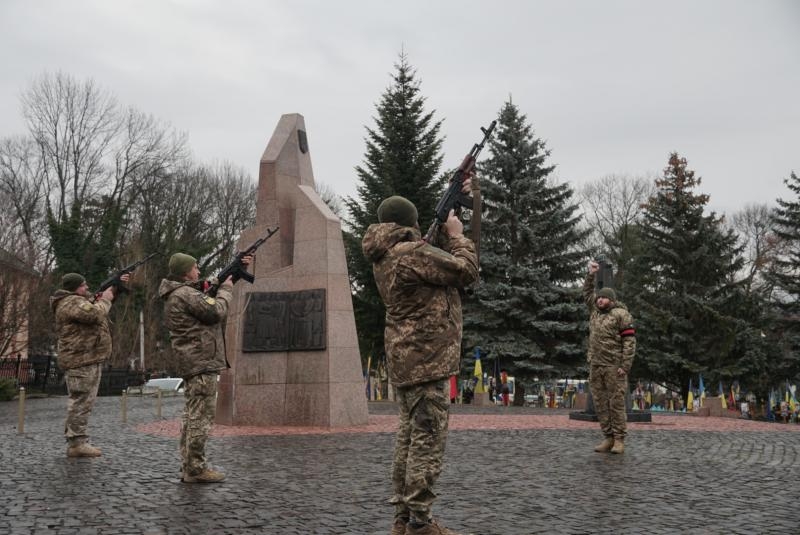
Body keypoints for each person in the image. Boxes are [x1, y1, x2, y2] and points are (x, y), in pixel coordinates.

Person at [363, 190, 479, 535]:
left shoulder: (386, 254)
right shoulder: (411, 254)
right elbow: (466, 271)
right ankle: (420, 523)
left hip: (407, 358)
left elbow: (434, 263)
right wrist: (458, 235)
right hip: (428, 359)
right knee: (428, 440)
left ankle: (402, 518)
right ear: (409, 222)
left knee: (409, 439)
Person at [159, 252, 251, 483]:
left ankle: (190, 465)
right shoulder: (185, 294)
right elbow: (215, 311)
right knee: (200, 418)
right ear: (185, 272)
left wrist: (233, 272)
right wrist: (227, 288)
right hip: (201, 361)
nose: (198, 271)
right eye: (195, 267)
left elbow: (206, 295)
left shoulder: (180, 293)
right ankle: (196, 469)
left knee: (192, 417)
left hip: (195, 361)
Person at [50, 272, 128, 458]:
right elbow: (95, 314)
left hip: (88, 357)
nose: (87, 288)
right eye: (83, 285)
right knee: (81, 400)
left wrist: (114, 289)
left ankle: (78, 440)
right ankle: (76, 443)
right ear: (75, 287)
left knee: (85, 400)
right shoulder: (70, 302)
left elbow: (93, 306)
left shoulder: (77, 301)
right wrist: (106, 299)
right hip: (80, 359)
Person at [583, 260, 636, 454]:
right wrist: (591, 274)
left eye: (603, 299)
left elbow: (629, 342)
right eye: (598, 299)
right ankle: (608, 437)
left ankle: (620, 439)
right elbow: (587, 293)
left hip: (614, 366)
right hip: (596, 365)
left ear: (611, 300)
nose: (599, 301)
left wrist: (625, 365)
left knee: (616, 403)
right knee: (600, 404)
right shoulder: (595, 313)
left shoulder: (622, 315)